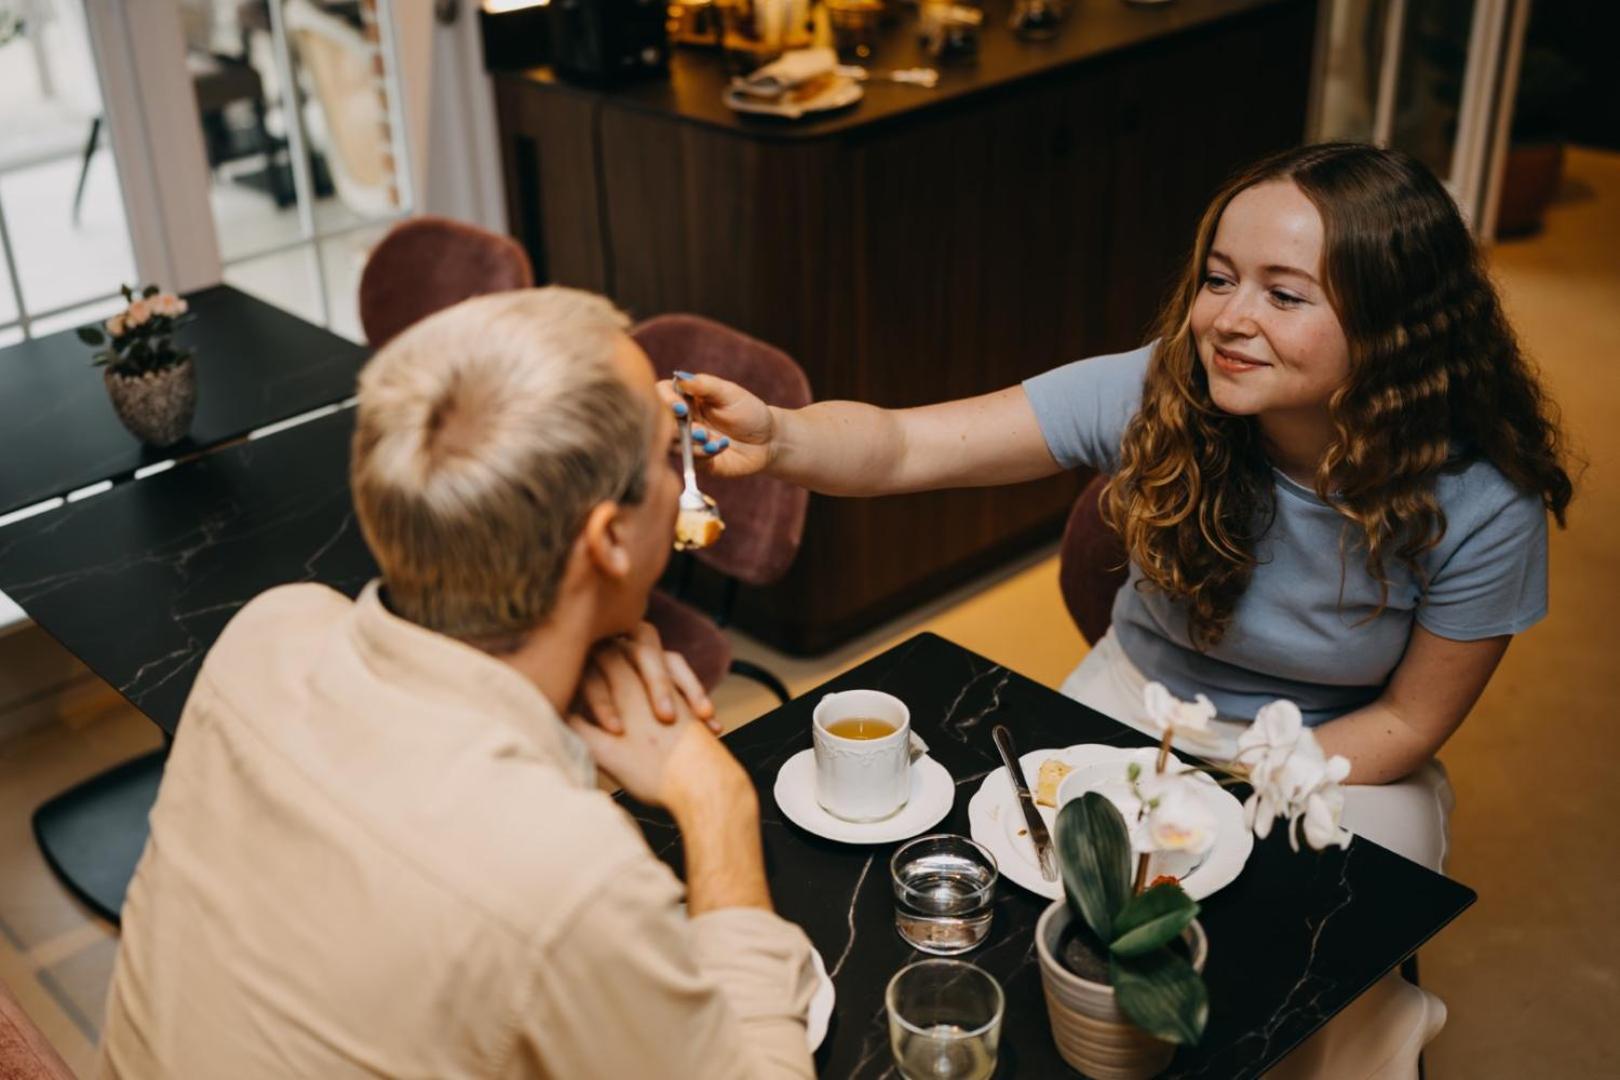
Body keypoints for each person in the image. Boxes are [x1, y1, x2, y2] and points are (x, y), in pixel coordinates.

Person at [671, 142, 1574, 1078]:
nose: (1229, 319)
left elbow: (1410, 719)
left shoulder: (1485, 500)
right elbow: (902, 447)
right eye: (1219, 278)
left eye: (1285, 294)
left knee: (1319, 987)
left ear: (1398, 323)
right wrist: (779, 436)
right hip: (1138, 696)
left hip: (1339, 754)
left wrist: (1222, 806)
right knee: (1039, 931)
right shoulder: (1160, 388)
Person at [97, 288, 818, 1079]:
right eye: (664, 457)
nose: (685, 471)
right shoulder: (572, 878)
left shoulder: (270, 634)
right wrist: (717, 803)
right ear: (609, 538)